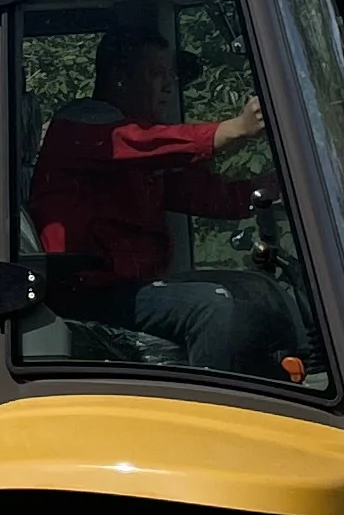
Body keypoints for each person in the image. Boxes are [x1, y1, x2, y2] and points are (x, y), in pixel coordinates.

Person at [30, 27, 311, 381]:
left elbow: (206, 194)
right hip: (88, 293)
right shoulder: (83, 127)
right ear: (119, 77)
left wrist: (276, 188)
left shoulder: (139, 155)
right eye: (155, 74)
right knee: (214, 306)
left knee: (255, 291)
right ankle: (217, 414)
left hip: (132, 290)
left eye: (170, 75)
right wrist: (233, 129)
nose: (167, 86)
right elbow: (142, 144)